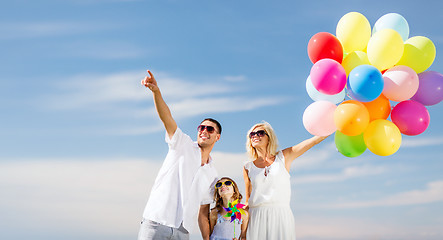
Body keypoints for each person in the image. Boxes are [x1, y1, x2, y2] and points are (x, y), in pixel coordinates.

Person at [139, 69, 222, 240]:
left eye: (209, 129)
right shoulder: (181, 143)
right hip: (156, 223)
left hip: (183, 232)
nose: (204, 131)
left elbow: (203, 211)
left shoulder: (213, 174)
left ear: (217, 136)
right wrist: (156, 92)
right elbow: (167, 118)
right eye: (201, 127)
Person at [243, 121, 328, 240]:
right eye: (252, 134)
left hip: (280, 215)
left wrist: (335, 125)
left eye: (260, 133)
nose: (255, 136)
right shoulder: (247, 167)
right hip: (256, 217)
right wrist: (242, 232)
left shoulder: (284, 157)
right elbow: (247, 201)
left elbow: (312, 141)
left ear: (269, 138)